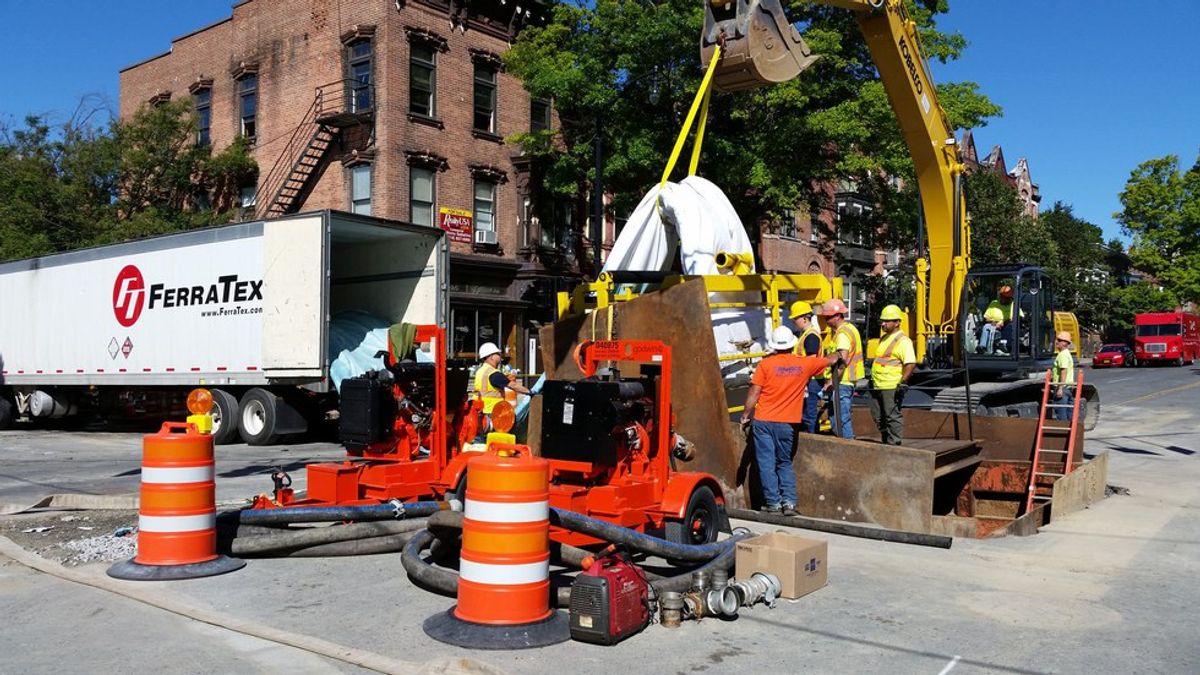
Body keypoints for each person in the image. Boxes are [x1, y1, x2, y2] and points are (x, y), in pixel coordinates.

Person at [741, 326, 842, 515]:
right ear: (792, 345)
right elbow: (830, 360)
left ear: (774, 346)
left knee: (766, 463)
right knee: (784, 462)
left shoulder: (765, 365)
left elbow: (754, 392)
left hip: (763, 421)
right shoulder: (803, 364)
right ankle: (789, 503)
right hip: (787, 423)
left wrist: (746, 414)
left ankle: (773, 504)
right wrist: (837, 354)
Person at [869, 305, 917, 445]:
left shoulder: (903, 341)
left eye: (887, 321)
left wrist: (902, 382)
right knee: (878, 416)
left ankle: (894, 444)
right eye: (882, 321)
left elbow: (910, 363)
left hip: (890, 385)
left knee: (891, 416)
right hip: (877, 384)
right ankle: (887, 441)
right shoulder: (884, 338)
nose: (883, 324)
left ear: (897, 322)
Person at [820, 299, 863, 439]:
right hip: (845, 381)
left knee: (841, 419)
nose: (826, 320)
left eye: (828, 317)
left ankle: (848, 448)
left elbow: (842, 360)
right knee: (838, 418)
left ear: (838, 316)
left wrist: (831, 381)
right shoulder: (849, 329)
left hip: (842, 382)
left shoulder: (843, 333)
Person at [474, 342, 533, 436]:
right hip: (493, 414)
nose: (500, 355)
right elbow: (513, 385)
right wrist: (529, 392)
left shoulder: (480, 371)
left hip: (481, 413)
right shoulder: (493, 373)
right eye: (497, 353)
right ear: (490, 357)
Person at [789, 300, 824, 433]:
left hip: (811, 381)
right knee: (807, 414)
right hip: (810, 380)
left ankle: (811, 441)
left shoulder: (810, 336)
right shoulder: (806, 335)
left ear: (805, 318)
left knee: (809, 415)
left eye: (795, 318)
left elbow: (810, 362)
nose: (793, 321)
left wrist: (803, 382)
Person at [1049, 331, 1076, 421]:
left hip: (1063, 389)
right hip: (1068, 388)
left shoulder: (1062, 355)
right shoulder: (1067, 353)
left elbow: (1063, 371)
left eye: (1059, 340)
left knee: (1061, 415)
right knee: (1068, 414)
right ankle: (1069, 434)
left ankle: (1063, 433)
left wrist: (1060, 388)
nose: (1056, 342)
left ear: (1065, 343)